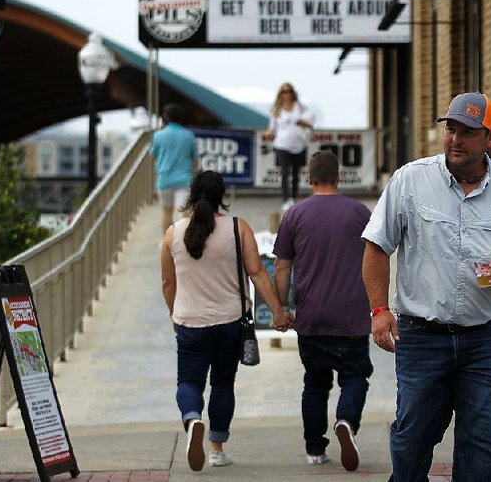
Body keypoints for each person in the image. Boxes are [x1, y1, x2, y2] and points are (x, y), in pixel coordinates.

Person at [362, 92, 491, 481]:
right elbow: (377, 246)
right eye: (451, 129)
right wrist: (379, 312)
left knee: (483, 443)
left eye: (468, 132)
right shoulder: (411, 180)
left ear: (490, 139)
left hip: (486, 338)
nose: (455, 139)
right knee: (413, 438)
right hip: (421, 336)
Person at [160, 170, 292, 471]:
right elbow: (257, 272)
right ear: (224, 197)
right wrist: (278, 311)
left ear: (192, 197)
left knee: (189, 382)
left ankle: (193, 419)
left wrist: (174, 313)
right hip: (229, 323)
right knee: (222, 384)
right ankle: (217, 448)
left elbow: (168, 284)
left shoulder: (173, 233)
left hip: (190, 324)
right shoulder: (237, 228)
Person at [272, 150, 374, 472]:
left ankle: (315, 449)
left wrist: (283, 307)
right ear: (339, 176)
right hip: (352, 317)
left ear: (308, 179)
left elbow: (281, 267)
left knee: (315, 383)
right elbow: (378, 258)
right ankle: (346, 421)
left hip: (311, 318)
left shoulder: (295, 215)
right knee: (356, 376)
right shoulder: (360, 213)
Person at [265, 82, 315, 213]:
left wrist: (304, 123)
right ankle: (285, 199)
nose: (286, 95)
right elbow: (272, 128)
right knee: (285, 171)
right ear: (280, 95)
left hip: (298, 144)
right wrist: (269, 134)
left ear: (292, 93)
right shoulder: (277, 110)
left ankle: (293, 197)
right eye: (284, 92)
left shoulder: (300, 107)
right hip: (282, 144)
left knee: (295, 173)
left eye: (288, 92)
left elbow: (311, 119)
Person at [150, 102, 198, 233]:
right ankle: (183, 243)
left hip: (164, 179)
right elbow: (195, 160)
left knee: (166, 212)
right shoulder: (188, 135)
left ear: (166, 117)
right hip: (184, 180)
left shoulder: (158, 135)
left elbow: (153, 156)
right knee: (183, 214)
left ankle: (167, 243)